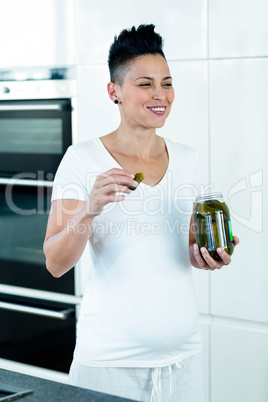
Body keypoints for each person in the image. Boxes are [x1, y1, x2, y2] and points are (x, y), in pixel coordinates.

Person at [43, 24, 239, 402]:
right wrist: (90, 209)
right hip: (107, 365)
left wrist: (209, 255)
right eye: (145, 84)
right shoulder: (82, 159)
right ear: (113, 92)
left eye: (167, 83)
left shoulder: (188, 159)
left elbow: (184, 250)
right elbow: (55, 262)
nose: (160, 95)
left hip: (183, 362)